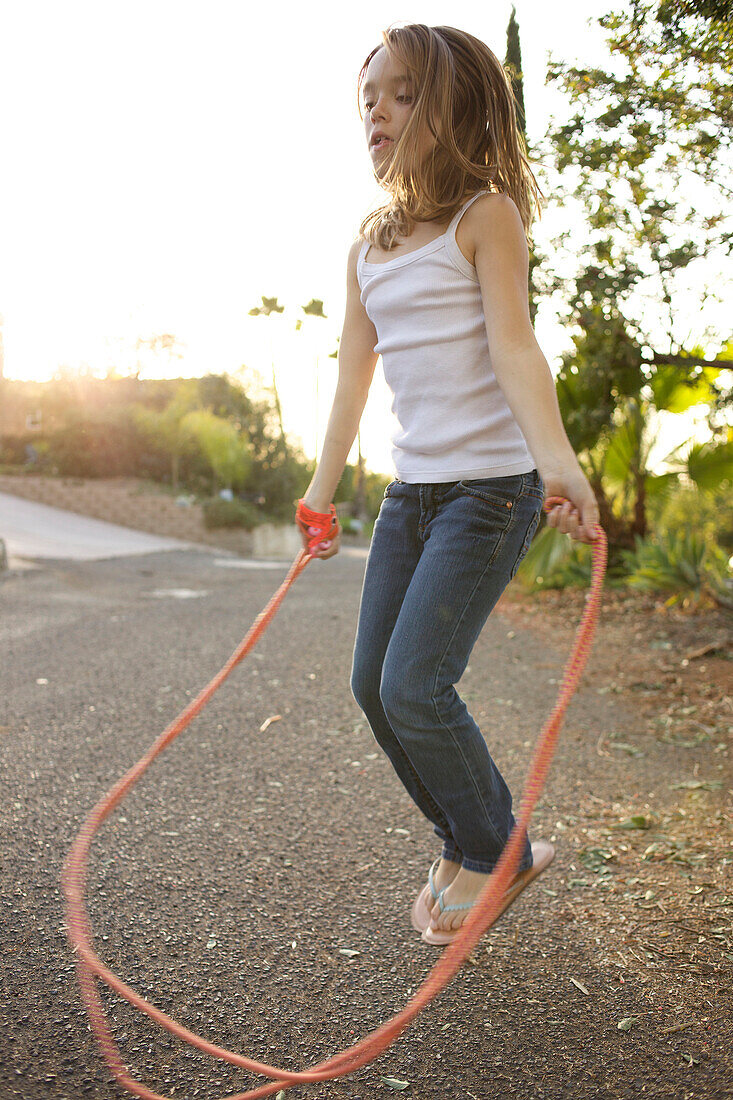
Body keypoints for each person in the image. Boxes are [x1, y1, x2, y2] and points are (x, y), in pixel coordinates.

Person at [295, 23, 601, 946]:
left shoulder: (484, 216)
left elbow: (516, 347)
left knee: (416, 685)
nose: (376, 114)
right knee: (370, 686)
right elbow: (350, 378)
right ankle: (466, 841)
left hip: (489, 492)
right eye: (366, 101)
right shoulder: (368, 245)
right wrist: (320, 494)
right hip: (410, 496)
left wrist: (559, 466)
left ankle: (497, 849)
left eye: (398, 94)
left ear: (452, 106)